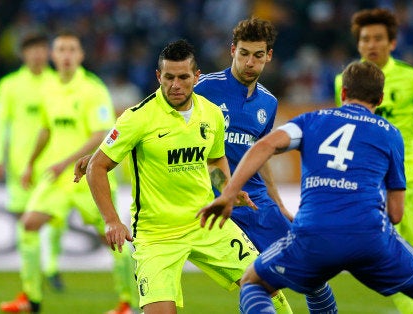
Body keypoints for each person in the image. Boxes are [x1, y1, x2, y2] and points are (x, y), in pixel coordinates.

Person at [198, 60, 413, 314]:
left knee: (253, 283)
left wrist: (229, 192)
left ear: (343, 92)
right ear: (380, 100)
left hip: (315, 233)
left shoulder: (312, 120)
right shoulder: (391, 133)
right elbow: (396, 214)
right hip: (369, 236)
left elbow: (265, 145)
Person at [77, 39, 271, 314]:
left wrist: (227, 189)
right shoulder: (137, 118)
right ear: (159, 76)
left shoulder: (212, 114)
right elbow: (98, 166)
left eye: (183, 77)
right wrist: (111, 220)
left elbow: (215, 160)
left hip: (206, 223)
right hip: (157, 235)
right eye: (168, 77)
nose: (175, 85)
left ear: (196, 76)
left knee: (267, 288)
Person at [194, 17, 333, 313]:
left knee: (313, 273)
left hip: (256, 203)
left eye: (258, 55)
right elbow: (157, 115)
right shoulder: (204, 88)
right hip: (212, 199)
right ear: (232, 50)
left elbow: (261, 154)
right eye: (243, 53)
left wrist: (277, 202)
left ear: (268, 56)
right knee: (254, 283)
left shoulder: (268, 102)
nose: (249, 62)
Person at [0, 30, 137, 314]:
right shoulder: (48, 90)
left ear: (81, 56)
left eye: (72, 50)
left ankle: (127, 302)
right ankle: (31, 298)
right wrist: (29, 164)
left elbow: (100, 134)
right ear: (53, 56)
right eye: (60, 50)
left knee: (113, 238)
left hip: (90, 177)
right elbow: (46, 130)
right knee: (29, 224)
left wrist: (65, 161)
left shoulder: (93, 89)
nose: (66, 55)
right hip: (57, 179)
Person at [334, 8, 413, 314]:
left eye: (378, 38)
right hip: (369, 181)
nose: (371, 44)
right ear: (358, 44)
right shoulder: (342, 81)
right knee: (381, 254)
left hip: (411, 178)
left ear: (392, 43)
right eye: (365, 39)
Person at [0, 32, 67, 292]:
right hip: (19, 165)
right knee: (26, 223)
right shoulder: (9, 85)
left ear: (49, 53)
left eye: (42, 49)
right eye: (32, 49)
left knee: (55, 218)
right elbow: (0, 123)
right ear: (23, 54)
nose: (37, 54)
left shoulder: (58, 82)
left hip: (52, 163)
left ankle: (52, 267)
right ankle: (31, 279)